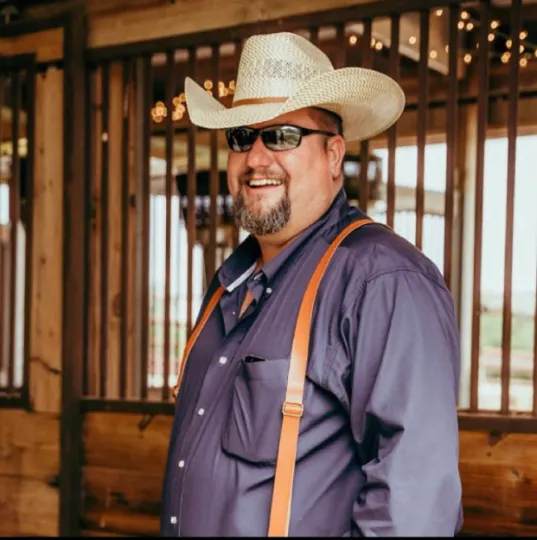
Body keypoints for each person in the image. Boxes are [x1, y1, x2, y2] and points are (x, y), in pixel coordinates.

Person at [160, 31, 463, 537]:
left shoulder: (382, 282)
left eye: (281, 136)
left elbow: (414, 512)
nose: (256, 158)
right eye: (242, 137)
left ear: (333, 154)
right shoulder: (229, 285)